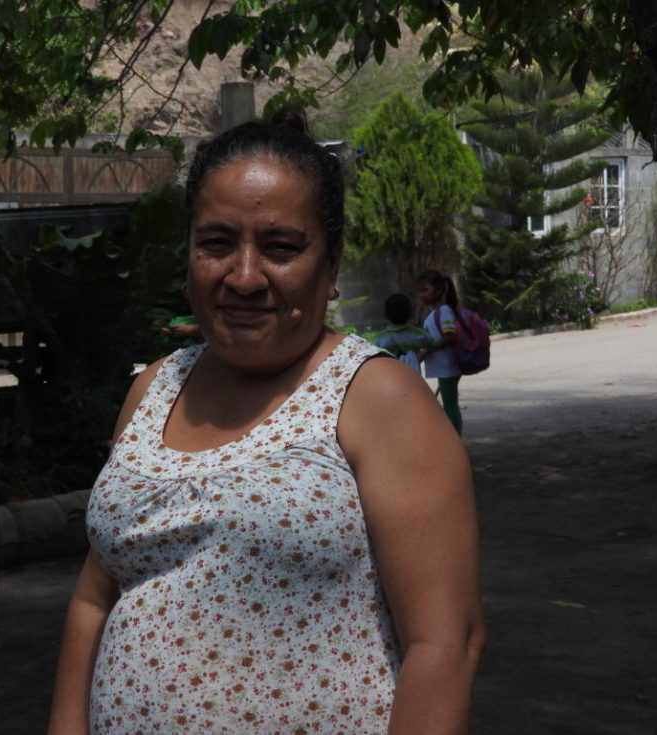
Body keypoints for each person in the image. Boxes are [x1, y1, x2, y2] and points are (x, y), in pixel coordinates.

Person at [48, 110, 484, 734]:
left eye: (280, 247)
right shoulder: (154, 389)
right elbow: (96, 596)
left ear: (331, 265)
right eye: (217, 243)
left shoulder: (377, 398)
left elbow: (445, 643)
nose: (245, 277)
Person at [419, 270, 464, 435]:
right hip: (443, 367)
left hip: (447, 367)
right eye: (420, 291)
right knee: (449, 405)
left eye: (425, 289)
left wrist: (429, 349)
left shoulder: (444, 311)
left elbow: (450, 336)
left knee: (450, 406)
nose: (422, 294)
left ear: (438, 290)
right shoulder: (433, 313)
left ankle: (455, 439)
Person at [373, 292, 434, 374]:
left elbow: (374, 356)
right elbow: (432, 343)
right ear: (410, 314)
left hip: (392, 376)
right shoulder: (417, 334)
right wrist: (421, 355)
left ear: (386, 314)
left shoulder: (381, 338)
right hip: (413, 375)